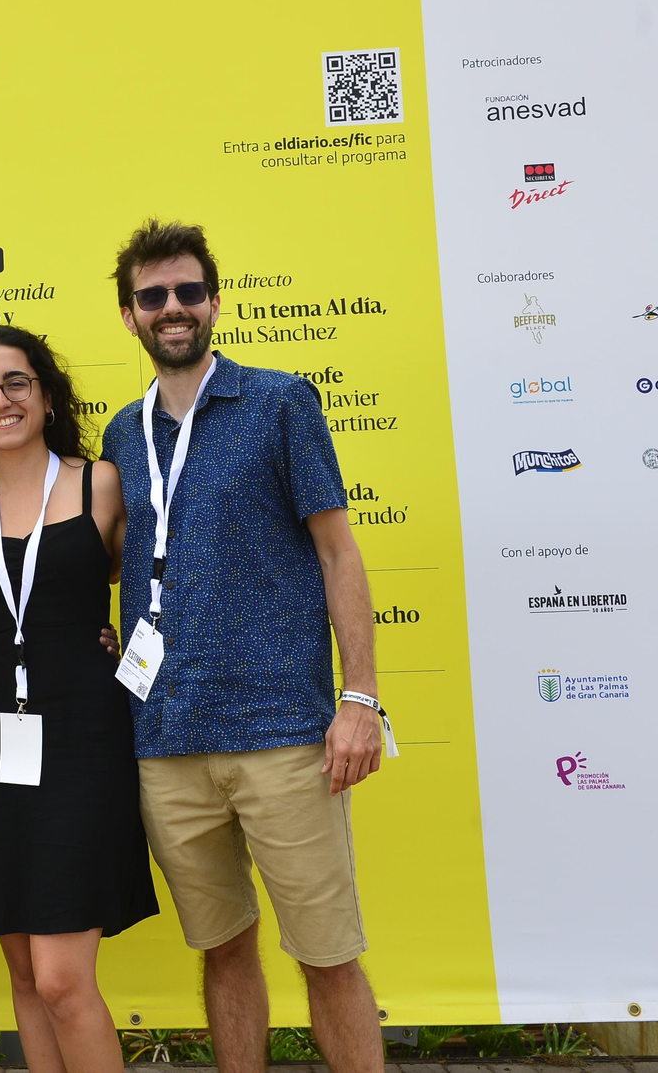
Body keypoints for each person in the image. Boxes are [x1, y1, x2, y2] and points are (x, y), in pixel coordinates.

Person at [100, 220, 390, 1073]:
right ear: (129, 316)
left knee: (327, 954)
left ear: (214, 301)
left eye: (188, 291)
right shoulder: (123, 433)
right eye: (153, 296)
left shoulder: (280, 401)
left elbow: (340, 554)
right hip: (164, 736)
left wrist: (360, 699)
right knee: (223, 949)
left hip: (284, 732)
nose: (173, 307)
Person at [0, 325, 156, 1073]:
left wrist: (123, 649)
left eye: (16, 381)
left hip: (84, 734)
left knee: (63, 977)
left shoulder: (102, 482)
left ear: (47, 394)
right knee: (25, 975)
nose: (2, 399)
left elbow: (149, 585)